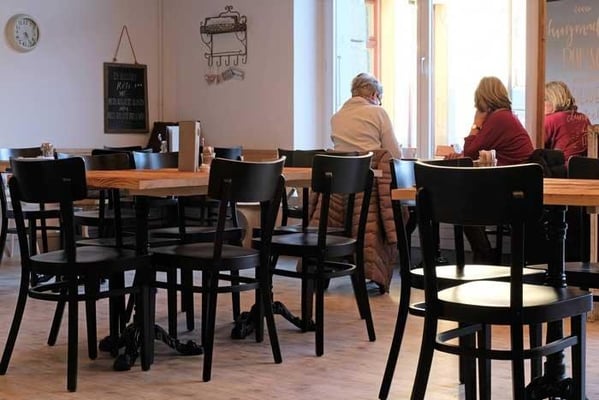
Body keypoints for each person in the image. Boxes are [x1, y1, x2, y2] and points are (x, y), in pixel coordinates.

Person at [446, 76, 535, 264]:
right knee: (465, 197)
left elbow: (471, 151)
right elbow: (475, 152)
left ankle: (483, 253)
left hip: (513, 190)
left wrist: (476, 124)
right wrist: (462, 154)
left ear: (483, 99)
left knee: (462, 200)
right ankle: (484, 253)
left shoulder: (499, 118)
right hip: (519, 185)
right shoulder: (506, 117)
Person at [330, 72, 402, 159]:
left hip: (341, 167)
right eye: (379, 100)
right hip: (371, 167)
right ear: (374, 95)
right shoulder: (378, 112)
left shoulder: (336, 117)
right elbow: (395, 154)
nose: (379, 104)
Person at [544, 80, 591, 164]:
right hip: (585, 168)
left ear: (553, 100)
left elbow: (534, 148)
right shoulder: (584, 118)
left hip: (560, 168)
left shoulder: (550, 120)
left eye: (544, 100)